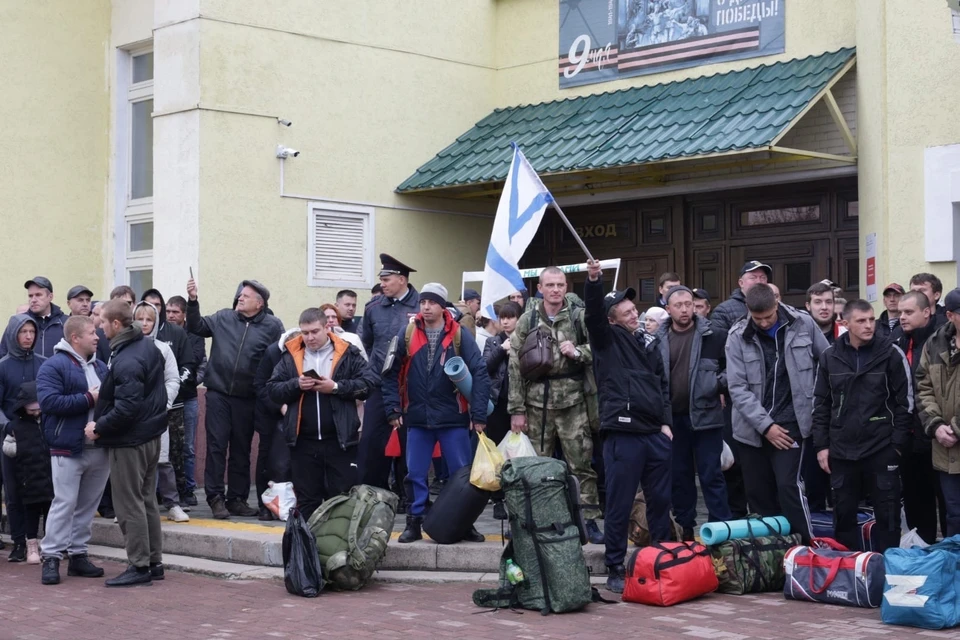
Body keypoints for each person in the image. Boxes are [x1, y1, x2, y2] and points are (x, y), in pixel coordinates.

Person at [583, 260, 671, 593]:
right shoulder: (606, 340)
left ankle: (659, 559)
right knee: (619, 503)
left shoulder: (647, 343)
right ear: (612, 319)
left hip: (654, 436)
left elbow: (662, 387)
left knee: (660, 502)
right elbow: (592, 315)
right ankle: (615, 565)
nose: (634, 314)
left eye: (635, 309)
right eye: (626, 311)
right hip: (622, 435)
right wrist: (594, 282)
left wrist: (666, 425)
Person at [382, 283, 490, 543]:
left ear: (443, 306)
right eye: (423, 302)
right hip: (417, 418)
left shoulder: (460, 334)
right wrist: (393, 408)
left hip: (453, 418)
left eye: (432, 302)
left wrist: (478, 415)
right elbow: (389, 372)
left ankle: (465, 524)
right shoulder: (406, 332)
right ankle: (414, 522)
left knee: (462, 475)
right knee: (415, 474)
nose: (426, 307)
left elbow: (480, 373)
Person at [508, 266, 603, 544]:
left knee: (582, 465)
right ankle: (537, 519)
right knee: (536, 466)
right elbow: (515, 363)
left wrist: (578, 351)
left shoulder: (577, 316)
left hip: (573, 401)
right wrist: (517, 408)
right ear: (540, 288)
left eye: (560, 285)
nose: (556, 290)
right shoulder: (528, 319)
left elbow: (598, 348)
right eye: (550, 285)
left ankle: (589, 519)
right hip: (537, 402)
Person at [726, 283, 826, 544]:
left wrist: (819, 406)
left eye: (768, 316)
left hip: (793, 423)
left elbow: (828, 363)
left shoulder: (803, 323)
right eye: (757, 318)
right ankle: (772, 553)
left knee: (788, 486)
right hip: (752, 430)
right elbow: (737, 388)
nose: (763, 322)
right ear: (748, 309)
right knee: (759, 496)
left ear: (776, 305)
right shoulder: (737, 334)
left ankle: (806, 547)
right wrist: (766, 426)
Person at [812, 300, 912, 553]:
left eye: (871, 320)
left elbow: (906, 402)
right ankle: (849, 571)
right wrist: (822, 446)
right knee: (843, 514)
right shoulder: (829, 357)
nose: (869, 325)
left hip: (882, 447)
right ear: (845, 324)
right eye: (861, 321)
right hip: (842, 449)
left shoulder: (890, 353)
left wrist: (897, 446)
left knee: (888, 514)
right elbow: (821, 404)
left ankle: (888, 569)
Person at [85, 299, 169, 586]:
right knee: (146, 500)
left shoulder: (128, 358)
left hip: (130, 441)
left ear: (116, 324)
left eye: (103, 321)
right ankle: (153, 562)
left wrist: (99, 427)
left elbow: (127, 408)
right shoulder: (145, 345)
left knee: (128, 504)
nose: (99, 326)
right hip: (149, 436)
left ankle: (139, 565)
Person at [186, 277, 283, 519]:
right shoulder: (223, 317)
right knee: (216, 446)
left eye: (246, 296)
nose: (240, 297)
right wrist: (193, 301)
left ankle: (237, 499)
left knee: (241, 449)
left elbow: (279, 360)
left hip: (248, 398)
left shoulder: (273, 326)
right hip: (218, 394)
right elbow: (196, 326)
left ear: (259, 303)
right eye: (240, 294)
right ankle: (216, 498)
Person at [268, 308, 372, 519]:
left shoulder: (348, 352)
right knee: (307, 500)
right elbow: (273, 389)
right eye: (305, 333)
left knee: (341, 499)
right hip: (303, 441)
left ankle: (337, 549)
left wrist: (335, 387)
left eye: (315, 331)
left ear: (327, 327)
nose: (310, 337)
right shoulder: (291, 354)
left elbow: (368, 385)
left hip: (339, 440)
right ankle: (307, 550)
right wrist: (296, 384)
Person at [37, 316, 109, 585]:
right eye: (91, 333)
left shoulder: (101, 367)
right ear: (75, 338)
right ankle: (52, 557)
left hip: (99, 448)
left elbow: (112, 403)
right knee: (64, 503)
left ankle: (78, 556)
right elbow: (49, 402)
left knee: (88, 506)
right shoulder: (53, 366)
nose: (97, 337)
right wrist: (88, 398)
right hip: (67, 447)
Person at [656, 286, 731, 540]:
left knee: (712, 475)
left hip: (706, 416)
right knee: (680, 477)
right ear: (668, 309)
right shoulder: (658, 339)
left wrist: (715, 385)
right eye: (679, 305)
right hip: (673, 420)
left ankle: (721, 531)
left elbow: (731, 369)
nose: (685, 309)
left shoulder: (714, 335)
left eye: (689, 304)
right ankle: (685, 530)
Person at [711, 260, 773, 519]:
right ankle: (736, 515)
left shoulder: (777, 310)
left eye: (763, 277)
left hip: (769, 394)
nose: (759, 281)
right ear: (741, 283)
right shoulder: (725, 311)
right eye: (753, 277)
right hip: (737, 396)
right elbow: (716, 356)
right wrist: (723, 385)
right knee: (736, 461)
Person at [358, 254, 420, 501]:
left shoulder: (420, 306)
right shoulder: (373, 308)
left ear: (402, 280)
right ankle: (373, 496)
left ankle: (409, 498)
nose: (382, 284)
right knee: (373, 443)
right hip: (379, 385)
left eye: (387, 278)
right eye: (381, 279)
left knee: (409, 444)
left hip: (411, 388)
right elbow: (368, 344)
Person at [894, 291, 946, 543]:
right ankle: (923, 552)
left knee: (948, 502)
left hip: (939, 435)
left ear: (926, 312)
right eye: (900, 312)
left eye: (908, 312)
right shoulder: (896, 341)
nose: (901, 317)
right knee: (915, 500)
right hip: (908, 437)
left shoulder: (941, 341)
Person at [142, 289, 196, 508]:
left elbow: (185, 367)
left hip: (172, 405)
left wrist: (167, 398)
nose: (148, 318)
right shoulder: (126, 343)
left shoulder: (173, 335)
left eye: (157, 306)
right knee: (142, 460)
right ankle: (144, 500)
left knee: (173, 454)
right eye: (147, 307)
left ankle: (176, 499)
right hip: (138, 412)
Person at [132, 302, 186, 522]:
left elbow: (173, 379)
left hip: (157, 415)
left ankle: (172, 504)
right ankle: (133, 507)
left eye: (149, 320)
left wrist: (163, 404)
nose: (144, 324)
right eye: (140, 319)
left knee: (162, 459)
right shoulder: (123, 347)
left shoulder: (163, 349)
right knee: (134, 463)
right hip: (132, 417)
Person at [0, 315, 44, 562]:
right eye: (23, 332)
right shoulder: (3, 366)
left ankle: (45, 541)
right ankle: (19, 542)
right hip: (12, 438)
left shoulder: (44, 363)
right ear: (13, 335)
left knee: (43, 491)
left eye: (32, 331)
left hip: (40, 436)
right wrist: (9, 428)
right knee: (14, 492)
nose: (28, 336)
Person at [916, 288, 960, 537]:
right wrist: (935, 425)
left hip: (952, 436)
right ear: (951, 315)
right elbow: (923, 386)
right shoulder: (935, 344)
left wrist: (955, 428)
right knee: (953, 514)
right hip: (945, 448)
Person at [2, 382, 53, 564]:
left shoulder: (49, 421)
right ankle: (31, 544)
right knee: (31, 510)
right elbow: (7, 447)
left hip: (48, 475)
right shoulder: (17, 426)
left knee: (50, 510)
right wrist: (22, 448)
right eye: (32, 410)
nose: (36, 413)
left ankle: (50, 544)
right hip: (28, 476)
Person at [164, 295, 205, 504]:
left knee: (187, 447)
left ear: (184, 314)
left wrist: (179, 381)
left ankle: (188, 489)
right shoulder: (161, 333)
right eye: (168, 311)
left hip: (187, 398)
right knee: (166, 448)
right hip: (164, 399)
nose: (170, 315)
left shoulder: (195, 334)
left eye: (175, 312)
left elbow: (195, 360)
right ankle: (167, 490)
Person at [253, 328, 297, 520]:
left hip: (296, 413)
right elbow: (260, 385)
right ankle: (265, 504)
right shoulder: (272, 353)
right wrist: (279, 406)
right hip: (270, 415)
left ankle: (291, 502)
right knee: (267, 458)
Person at [482, 302, 521, 446]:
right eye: (502, 318)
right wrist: (501, 349)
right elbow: (484, 367)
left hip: (520, 402)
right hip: (497, 401)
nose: (505, 321)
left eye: (510, 317)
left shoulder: (526, 341)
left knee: (519, 445)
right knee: (497, 445)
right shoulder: (492, 342)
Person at [0, 277, 68, 359]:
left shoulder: (66, 323)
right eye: (30, 296)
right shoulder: (18, 323)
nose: (33, 300)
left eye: (38, 295)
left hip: (57, 372)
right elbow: (3, 354)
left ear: (50, 297)